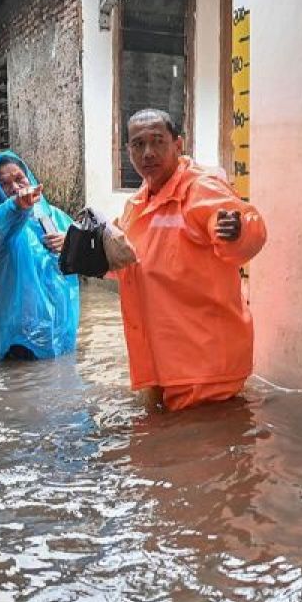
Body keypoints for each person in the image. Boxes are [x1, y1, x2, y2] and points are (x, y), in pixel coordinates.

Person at [114, 109, 267, 412]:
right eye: (138, 144)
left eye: (157, 142)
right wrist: (78, 247)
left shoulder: (201, 187)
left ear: (178, 145)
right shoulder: (139, 202)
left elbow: (248, 227)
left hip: (205, 364)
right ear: (128, 151)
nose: (148, 153)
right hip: (164, 362)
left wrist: (236, 231)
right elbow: (125, 259)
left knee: (203, 452)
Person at [0, 151, 80, 360]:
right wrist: (17, 205)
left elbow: (86, 251)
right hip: (17, 330)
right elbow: (1, 223)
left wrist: (69, 242)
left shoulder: (54, 216)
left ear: (28, 177)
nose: (15, 187)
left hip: (58, 325)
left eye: (19, 178)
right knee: (19, 385)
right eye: (5, 184)